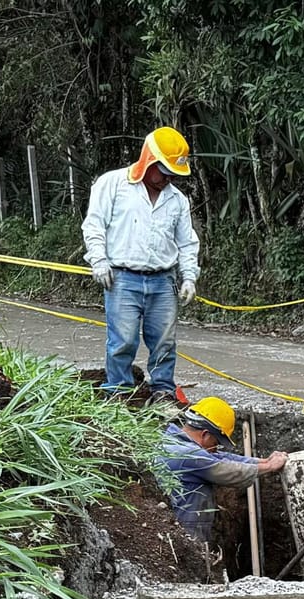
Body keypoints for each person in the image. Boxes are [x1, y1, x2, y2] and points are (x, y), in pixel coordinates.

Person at [83, 127, 201, 401]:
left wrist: (189, 277)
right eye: (163, 171)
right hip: (122, 277)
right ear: (149, 161)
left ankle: (162, 391)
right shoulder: (112, 185)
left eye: (172, 173)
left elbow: (187, 242)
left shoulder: (177, 201)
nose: (167, 178)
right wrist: (99, 260)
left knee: (164, 342)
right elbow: (94, 225)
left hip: (163, 280)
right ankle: (119, 392)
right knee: (122, 341)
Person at [158, 397, 288, 542]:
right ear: (205, 435)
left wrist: (262, 461)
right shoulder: (187, 455)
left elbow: (219, 457)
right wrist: (269, 467)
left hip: (178, 533)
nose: (215, 449)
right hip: (184, 539)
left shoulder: (172, 442)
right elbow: (225, 469)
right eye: (216, 443)